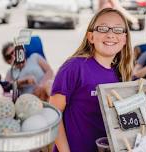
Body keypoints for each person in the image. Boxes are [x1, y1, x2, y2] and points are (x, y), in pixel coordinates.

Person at [49, 8, 133, 152]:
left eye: (118, 30)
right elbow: (52, 114)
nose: (110, 34)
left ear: (124, 39)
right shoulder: (74, 67)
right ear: (91, 36)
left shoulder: (121, 74)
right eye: (103, 28)